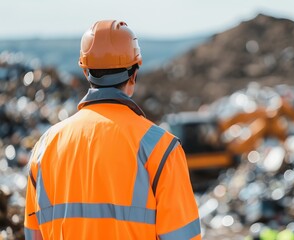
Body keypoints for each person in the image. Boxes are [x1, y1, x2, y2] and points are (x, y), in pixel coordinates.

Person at [24, 20, 201, 240]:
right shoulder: (160, 148)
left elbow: (33, 235)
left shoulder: (45, 147)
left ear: (85, 70)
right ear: (134, 73)